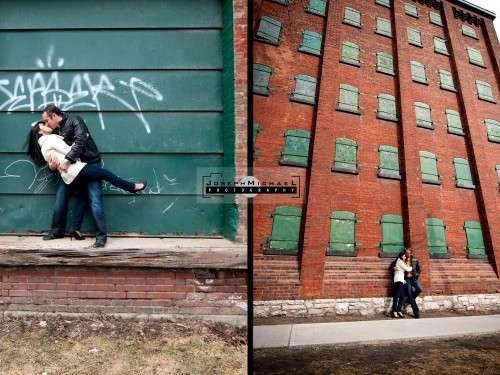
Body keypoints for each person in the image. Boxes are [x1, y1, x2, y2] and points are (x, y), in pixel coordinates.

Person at [25, 121, 147, 244]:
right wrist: (83, 138)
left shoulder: (43, 145)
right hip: (75, 168)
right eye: (44, 125)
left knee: (84, 197)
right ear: (40, 132)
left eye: (47, 123)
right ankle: (133, 187)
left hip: (70, 173)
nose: (47, 125)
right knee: (105, 174)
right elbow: (69, 150)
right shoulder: (50, 139)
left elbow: (54, 160)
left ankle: (75, 228)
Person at [391, 252, 412, 318]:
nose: (405, 257)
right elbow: (408, 269)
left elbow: (400, 271)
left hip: (401, 279)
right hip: (398, 280)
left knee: (402, 295)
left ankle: (399, 310)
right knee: (396, 295)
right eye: (404, 256)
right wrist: (413, 267)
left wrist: (403, 280)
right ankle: (394, 311)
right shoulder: (400, 262)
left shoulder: (401, 262)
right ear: (401, 256)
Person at [404, 248, 422, 319]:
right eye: (406, 253)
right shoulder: (403, 259)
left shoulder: (415, 259)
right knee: (410, 294)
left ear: (411, 253)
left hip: (414, 278)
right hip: (407, 278)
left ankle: (410, 299)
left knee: (420, 289)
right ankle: (416, 312)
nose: (406, 254)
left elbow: (419, 269)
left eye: (408, 253)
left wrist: (417, 275)